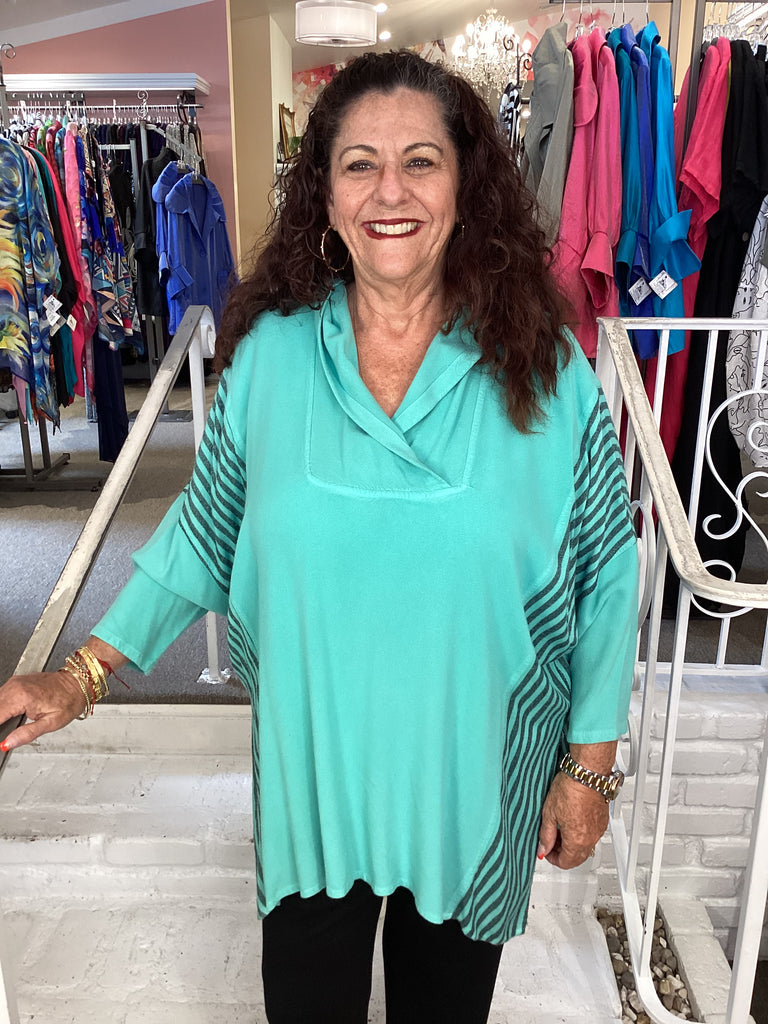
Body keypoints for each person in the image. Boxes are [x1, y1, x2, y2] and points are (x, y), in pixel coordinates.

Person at [0, 50, 638, 1024]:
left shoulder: (543, 370)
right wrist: (81, 675)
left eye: (421, 161)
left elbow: (607, 568)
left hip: (478, 776)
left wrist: (588, 765)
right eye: (360, 164)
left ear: (466, 188)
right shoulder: (273, 361)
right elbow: (206, 530)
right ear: (326, 197)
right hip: (315, 777)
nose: (391, 191)